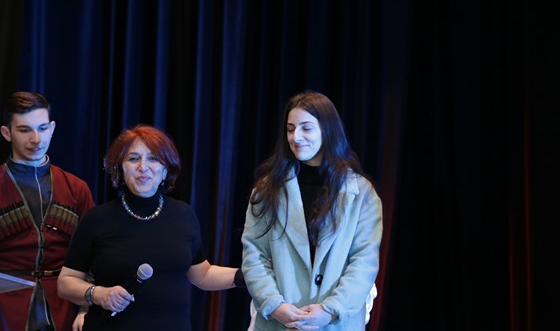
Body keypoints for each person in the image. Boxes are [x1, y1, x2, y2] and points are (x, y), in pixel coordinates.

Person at [57, 124, 244, 330]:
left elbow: (203, 274)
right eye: (133, 159)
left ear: (166, 170)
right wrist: (98, 294)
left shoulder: (183, 215)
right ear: (120, 169)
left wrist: (248, 276)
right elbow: (66, 282)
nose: (143, 167)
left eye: (153, 159)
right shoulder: (97, 219)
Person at [241, 91, 383, 330]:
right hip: (279, 322)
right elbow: (254, 254)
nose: (296, 137)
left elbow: (363, 262)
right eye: (290, 129)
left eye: (306, 128)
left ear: (327, 131)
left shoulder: (362, 193)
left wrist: (330, 310)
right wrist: (274, 305)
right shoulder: (267, 190)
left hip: (336, 324)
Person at [0, 91, 95, 331]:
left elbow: (94, 256)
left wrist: (85, 309)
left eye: (42, 128)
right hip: (6, 309)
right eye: (24, 130)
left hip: (64, 308)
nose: (36, 139)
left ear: (52, 128)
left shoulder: (76, 189)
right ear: (6, 133)